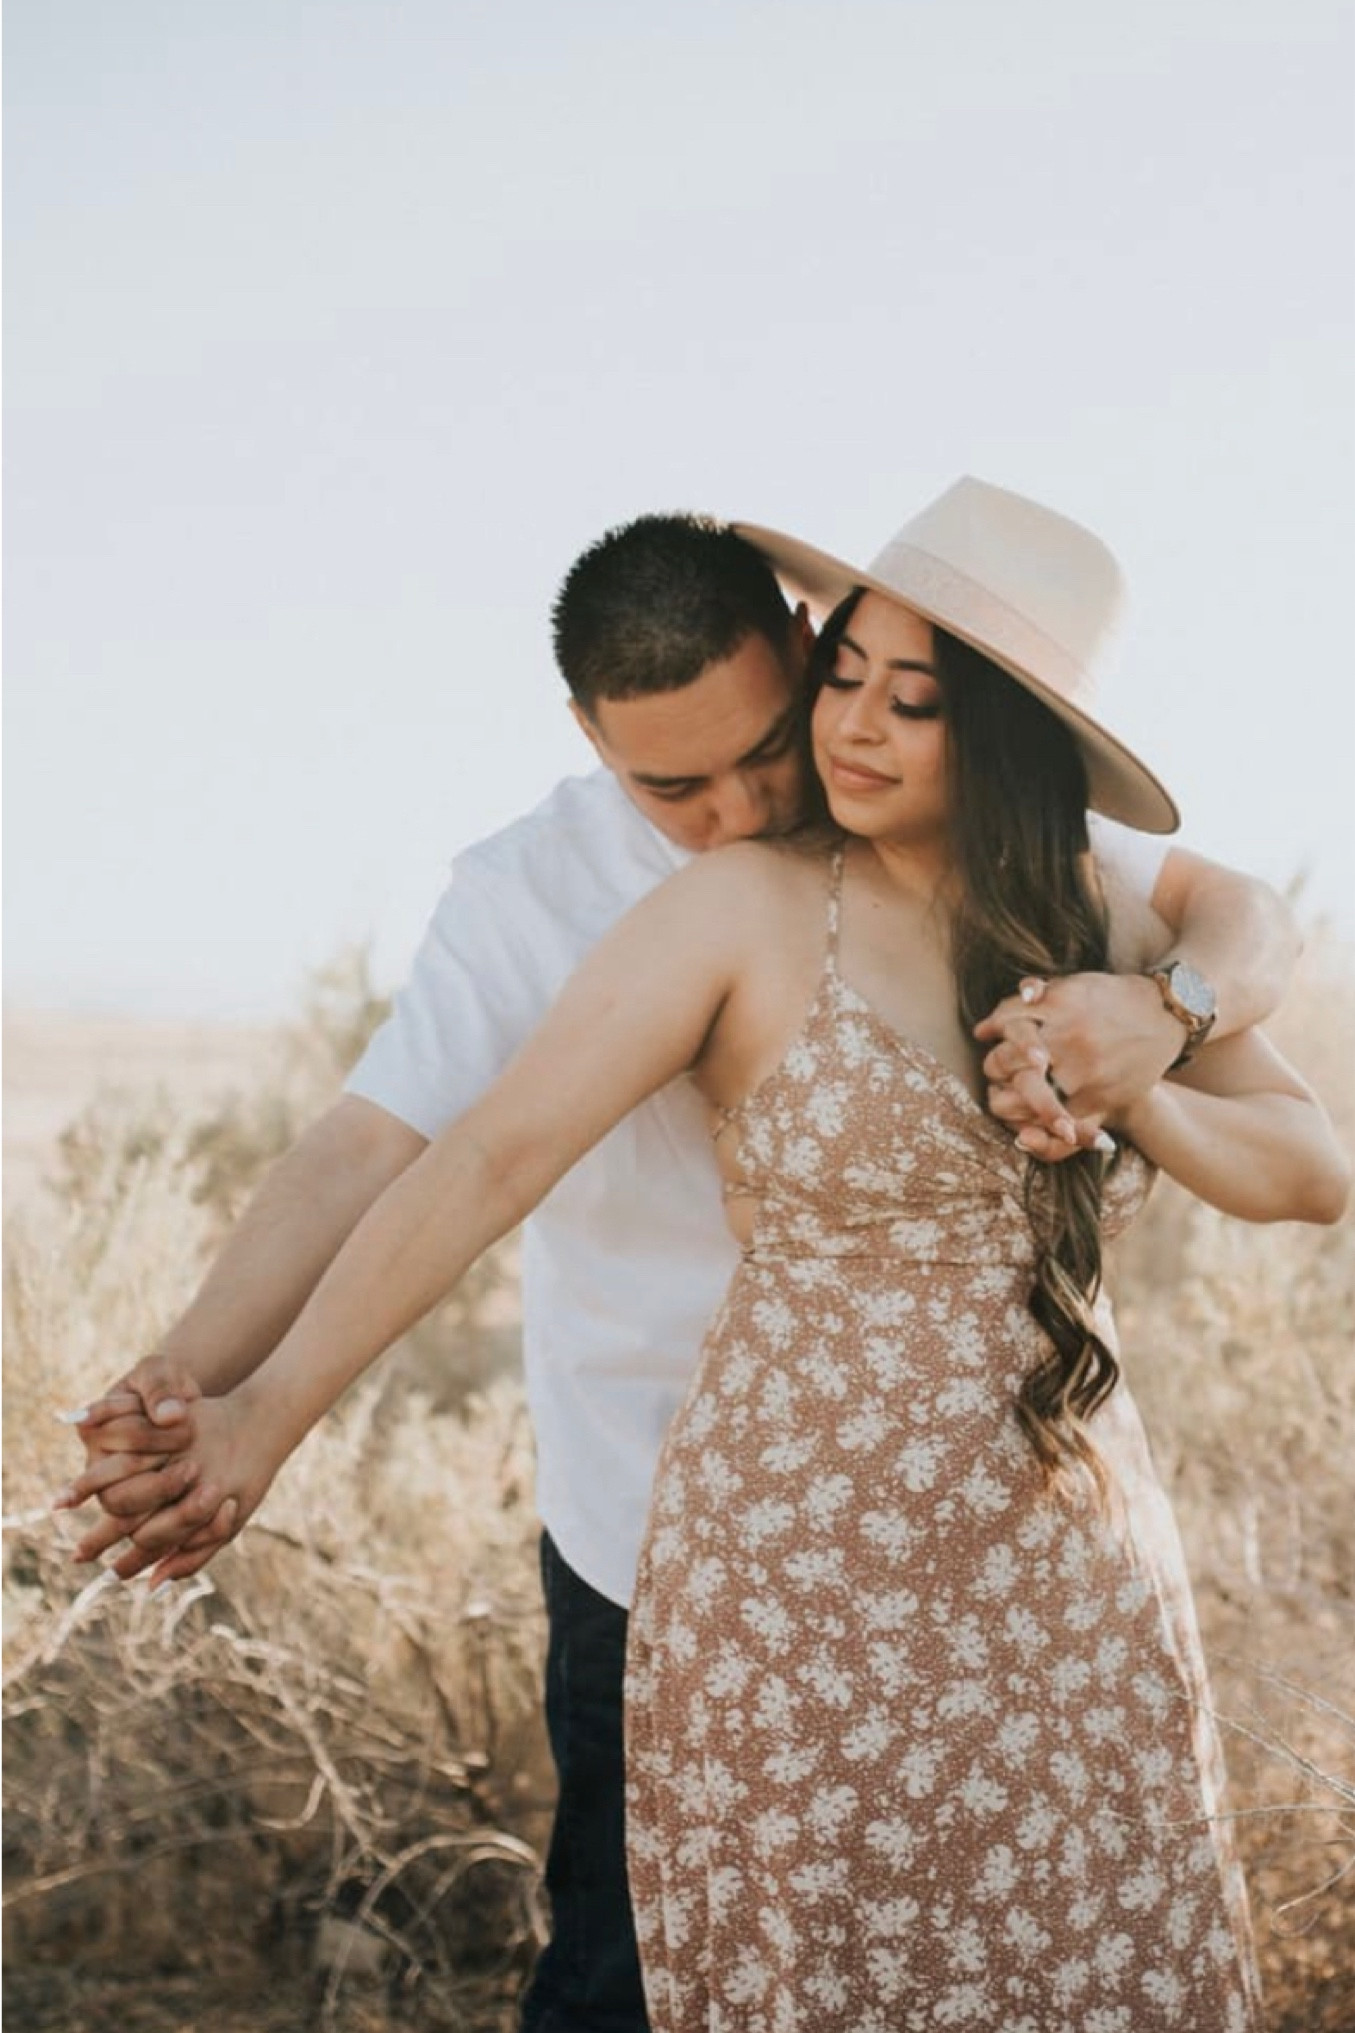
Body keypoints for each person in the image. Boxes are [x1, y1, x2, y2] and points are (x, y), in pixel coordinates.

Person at [60, 493, 1314, 2033]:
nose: (745, 802)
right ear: (593, 739)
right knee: (645, 1966)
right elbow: (413, 1152)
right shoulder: (556, 893)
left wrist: (1162, 1023)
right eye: (673, 785)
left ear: (803, 645)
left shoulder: (993, 840)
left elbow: (1245, 935)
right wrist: (216, 1394)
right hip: (682, 1522)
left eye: (777, 741)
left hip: (1027, 1534)